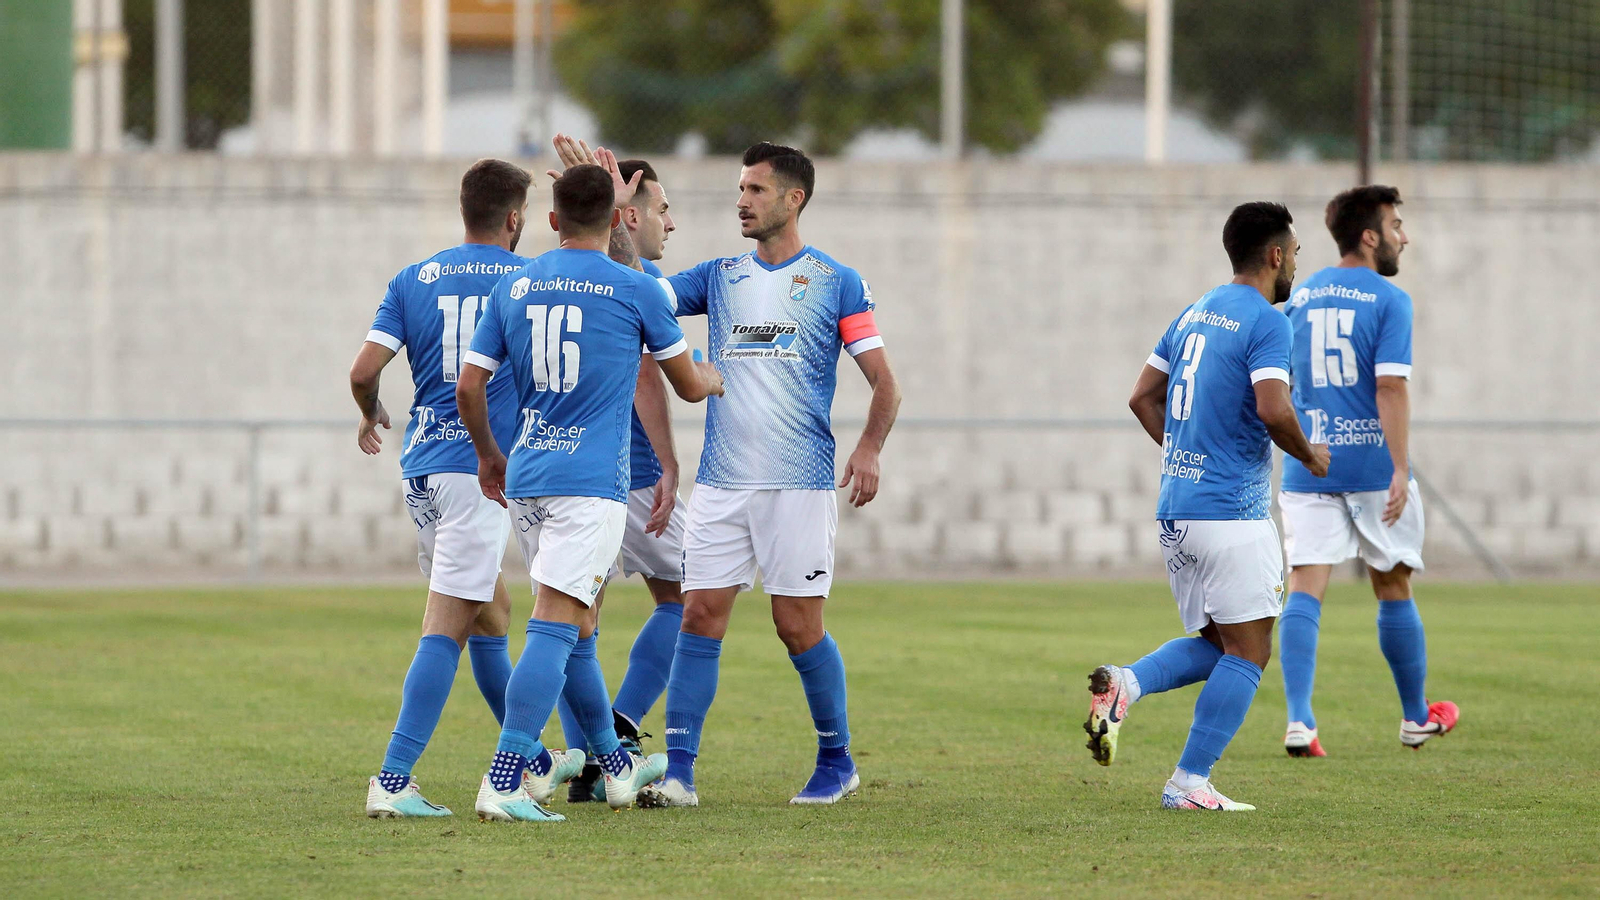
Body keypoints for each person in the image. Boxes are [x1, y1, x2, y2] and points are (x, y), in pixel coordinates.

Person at [456, 157, 723, 822]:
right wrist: (715, 377)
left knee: (577, 625)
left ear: (550, 221)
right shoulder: (635, 290)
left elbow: (470, 387)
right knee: (556, 621)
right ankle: (505, 777)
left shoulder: (514, 287)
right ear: (614, 221)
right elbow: (685, 384)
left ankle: (615, 764)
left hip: (528, 475)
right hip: (590, 485)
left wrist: (491, 456)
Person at [639, 142, 902, 808]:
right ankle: (679, 774)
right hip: (723, 481)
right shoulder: (718, 276)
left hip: (799, 483)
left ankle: (838, 762)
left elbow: (884, 384)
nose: (742, 201)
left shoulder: (837, 281)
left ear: (794, 199)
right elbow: (638, 297)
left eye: (756, 190)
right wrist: (618, 217)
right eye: (741, 189)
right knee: (698, 615)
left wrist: (869, 448)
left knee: (797, 626)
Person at [1085, 201, 1330, 811]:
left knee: (1222, 643)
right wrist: (1310, 456)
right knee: (1250, 651)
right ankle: (1189, 781)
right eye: (1295, 252)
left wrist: (1189, 452)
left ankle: (1126, 684)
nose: (1296, 264)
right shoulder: (1270, 322)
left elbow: (1143, 396)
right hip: (1231, 514)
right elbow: (1274, 408)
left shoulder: (1196, 312)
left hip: (1178, 508)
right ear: (1276, 255)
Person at [350, 158, 533, 818]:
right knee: (448, 625)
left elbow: (363, 370)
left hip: (421, 468)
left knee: (491, 611)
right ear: (514, 219)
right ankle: (393, 779)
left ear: (465, 211)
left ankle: (534, 761)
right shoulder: (526, 280)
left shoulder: (414, 279)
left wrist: (371, 412)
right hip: (476, 473)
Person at [1276, 185, 1459, 758]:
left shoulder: (1298, 297)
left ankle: (1300, 721)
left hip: (1310, 460)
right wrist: (1401, 467)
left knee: (1306, 586)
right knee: (1393, 582)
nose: (1405, 236)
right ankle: (1413, 718)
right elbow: (1389, 385)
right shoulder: (1389, 299)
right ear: (1370, 235)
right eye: (1397, 225)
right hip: (1373, 465)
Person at [537, 139, 693, 803]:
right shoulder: (632, 287)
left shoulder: (552, 278)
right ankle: (617, 733)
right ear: (627, 216)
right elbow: (657, 377)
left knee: (581, 619)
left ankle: (592, 762)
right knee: (694, 592)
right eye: (660, 207)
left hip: (549, 465)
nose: (670, 221)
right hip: (615, 470)